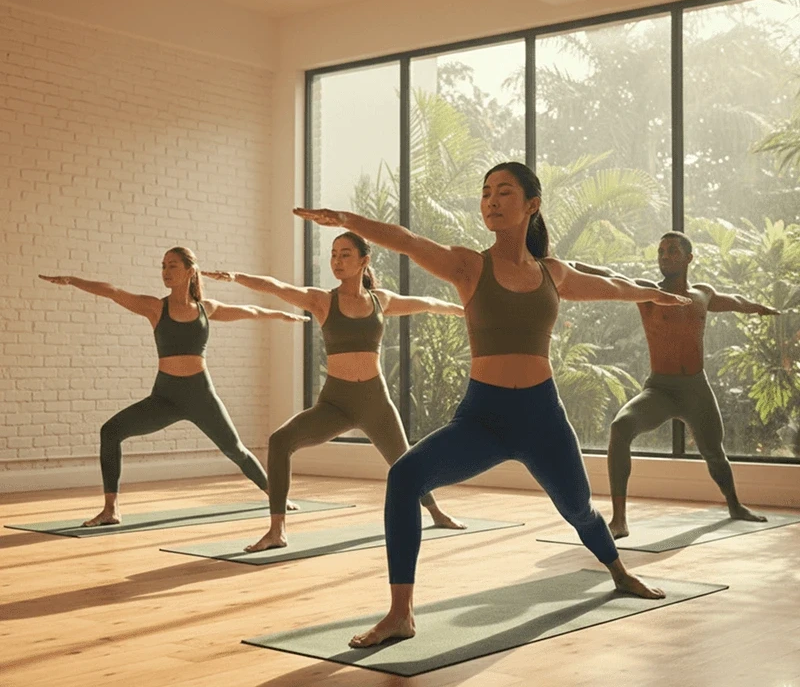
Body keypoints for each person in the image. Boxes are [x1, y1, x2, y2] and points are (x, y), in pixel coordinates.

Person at [294, 162, 692, 648]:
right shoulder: (468, 265)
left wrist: (652, 294)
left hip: (542, 417)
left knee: (581, 510)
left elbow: (609, 287)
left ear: (532, 204)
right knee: (404, 477)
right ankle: (401, 612)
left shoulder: (553, 273)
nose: (491, 200)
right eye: (485, 193)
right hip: (483, 417)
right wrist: (346, 219)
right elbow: (406, 240)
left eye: (504, 192)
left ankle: (619, 572)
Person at [204, 231, 466, 553]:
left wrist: (463, 310)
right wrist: (236, 277)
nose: (337, 261)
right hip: (336, 403)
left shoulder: (380, 301)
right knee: (279, 441)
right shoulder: (322, 300)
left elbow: (426, 304)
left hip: (374, 401)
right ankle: (277, 530)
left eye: (345, 254)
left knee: (404, 461)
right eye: (333, 254)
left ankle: (436, 512)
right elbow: (277, 287)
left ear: (363, 261)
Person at [39, 246, 308, 527]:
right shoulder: (155, 307)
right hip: (165, 397)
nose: (166, 272)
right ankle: (111, 509)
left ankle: (276, 497)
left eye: (173, 266)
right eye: (163, 266)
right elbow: (113, 291)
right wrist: (73, 280)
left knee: (235, 450)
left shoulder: (207, 309)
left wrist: (283, 316)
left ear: (190, 271)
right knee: (111, 431)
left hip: (200, 395)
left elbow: (250, 311)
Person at [571, 231, 778, 538]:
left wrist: (760, 307)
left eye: (672, 251)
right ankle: (619, 520)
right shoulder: (647, 293)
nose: (664, 257)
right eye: (661, 252)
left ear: (688, 258)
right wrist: (572, 265)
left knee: (714, 452)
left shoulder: (702, 295)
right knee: (620, 427)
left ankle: (735, 505)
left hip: (697, 390)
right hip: (660, 390)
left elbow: (734, 301)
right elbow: (611, 275)